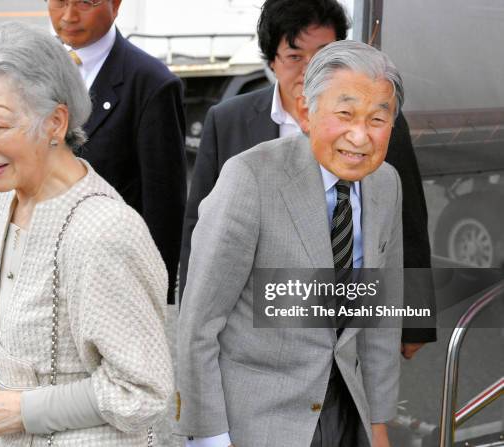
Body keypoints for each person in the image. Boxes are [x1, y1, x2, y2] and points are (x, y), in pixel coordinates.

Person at [0, 22, 172, 446]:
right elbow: (5, 330)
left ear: (55, 122)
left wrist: (22, 411)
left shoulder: (104, 233)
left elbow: (143, 391)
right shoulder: (3, 201)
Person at [176, 40, 404, 447]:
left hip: (347, 410)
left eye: (377, 119)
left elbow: (379, 315)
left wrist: (380, 421)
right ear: (306, 112)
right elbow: (199, 322)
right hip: (259, 420)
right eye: (345, 114)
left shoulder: (386, 183)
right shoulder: (250, 178)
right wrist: (208, 436)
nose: (360, 135)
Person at [178, 0, 435, 355]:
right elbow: (199, 225)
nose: (309, 69)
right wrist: (192, 312)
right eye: (294, 56)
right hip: (256, 323)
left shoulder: (375, 119)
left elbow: (407, 220)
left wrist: (415, 321)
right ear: (272, 60)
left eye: (323, 54)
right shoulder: (229, 120)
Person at [46, 0, 187, 304]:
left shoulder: (151, 83)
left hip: (113, 274)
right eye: (59, 1)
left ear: (116, 4)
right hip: (44, 266)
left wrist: (152, 291)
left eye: (86, 2)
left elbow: (164, 200)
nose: (69, 16)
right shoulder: (33, 68)